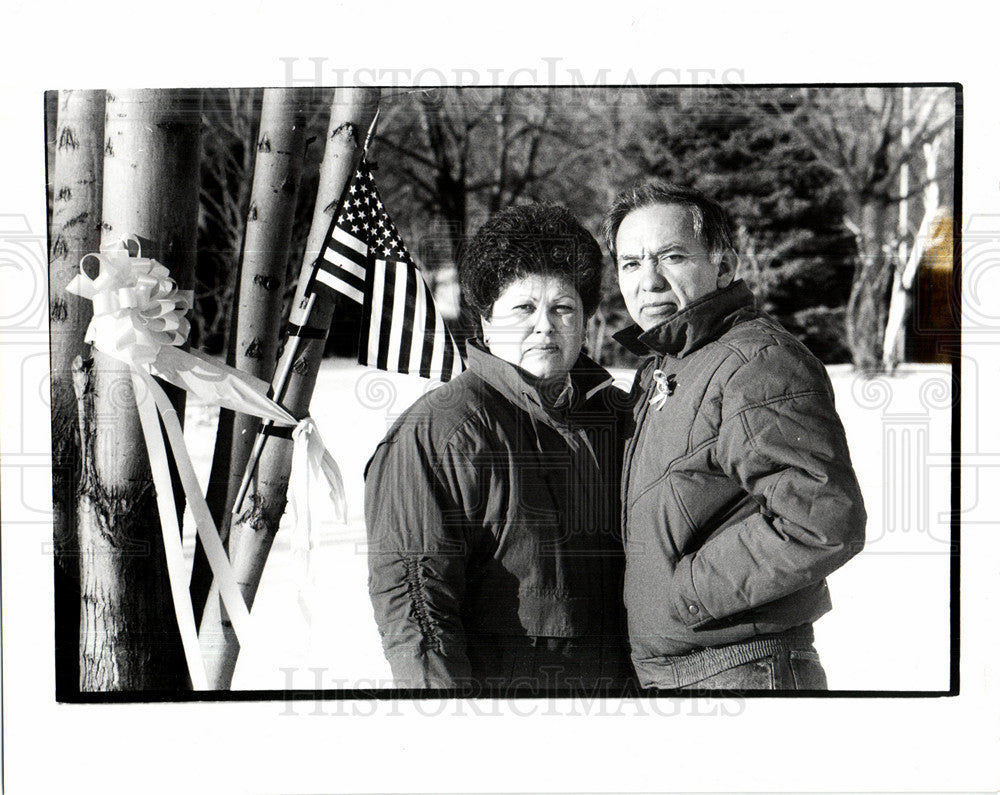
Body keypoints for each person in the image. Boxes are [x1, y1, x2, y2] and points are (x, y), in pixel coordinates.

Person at [604, 181, 866, 690]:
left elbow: (821, 517)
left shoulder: (757, 363)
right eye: (630, 263)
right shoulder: (663, 371)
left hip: (740, 669)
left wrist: (687, 594)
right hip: (677, 674)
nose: (650, 282)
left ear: (723, 266)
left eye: (672, 256)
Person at [365, 203, 633, 692]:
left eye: (563, 308)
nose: (545, 326)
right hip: (507, 719)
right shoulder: (440, 432)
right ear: (486, 322)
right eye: (524, 308)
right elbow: (417, 609)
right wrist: (456, 725)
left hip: (622, 714)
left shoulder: (620, 419)